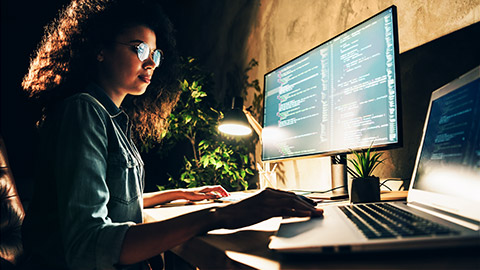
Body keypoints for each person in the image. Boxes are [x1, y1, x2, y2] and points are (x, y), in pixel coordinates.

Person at [21, 0, 323, 269]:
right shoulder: (82, 112)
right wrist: (218, 216)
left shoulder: (111, 118)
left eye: (155, 54)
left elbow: (115, 204)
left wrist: (180, 194)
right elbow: (89, 245)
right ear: (100, 49)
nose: (150, 62)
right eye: (139, 48)